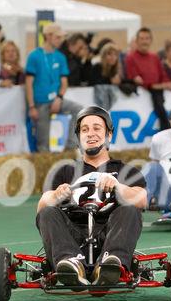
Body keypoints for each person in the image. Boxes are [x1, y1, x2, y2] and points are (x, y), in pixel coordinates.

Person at [36, 106, 147, 287]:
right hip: (72, 236)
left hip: (110, 233)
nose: (90, 134)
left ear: (109, 135)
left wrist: (118, 187)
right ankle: (71, 265)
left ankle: (111, 264)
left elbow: (141, 199)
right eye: (85, 130)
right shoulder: (65, 170)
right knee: (47, 212)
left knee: (130, 209)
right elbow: (41, 206)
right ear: (79, 138)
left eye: (97, 128)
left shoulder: (125, 171)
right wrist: (56, 195)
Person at [25, 22, 82, 152]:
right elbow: (28, 83)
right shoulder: (34, 56)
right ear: (48, 36)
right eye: (58, 37)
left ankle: (70, 148)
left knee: (80, 111)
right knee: (43, 146)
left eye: (61, 37)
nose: (61, 40)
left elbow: (64, 82)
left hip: (56, 100)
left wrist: (59, 97)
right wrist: (32, 106)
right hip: (40, 103)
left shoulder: (60, 57)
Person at [125, 27, 171, 131]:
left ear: (151, 40)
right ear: (137, 41)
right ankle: (166, 131)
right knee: (161, 109)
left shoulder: (154, 57)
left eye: (147, 38)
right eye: (142, 38)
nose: (144, 41)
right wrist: (158, 85)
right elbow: (135, 79)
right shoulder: (130, 58)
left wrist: (168, 83)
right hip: (146, 93)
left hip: (159, 92)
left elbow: (163, 75)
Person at [89, 43, 121, 110]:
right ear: (103, 56)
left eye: (115, 55)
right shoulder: (97, 67)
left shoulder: (115, 70)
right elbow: (93, 82)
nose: (113, 57)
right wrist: (110, 81)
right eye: (109, 54)